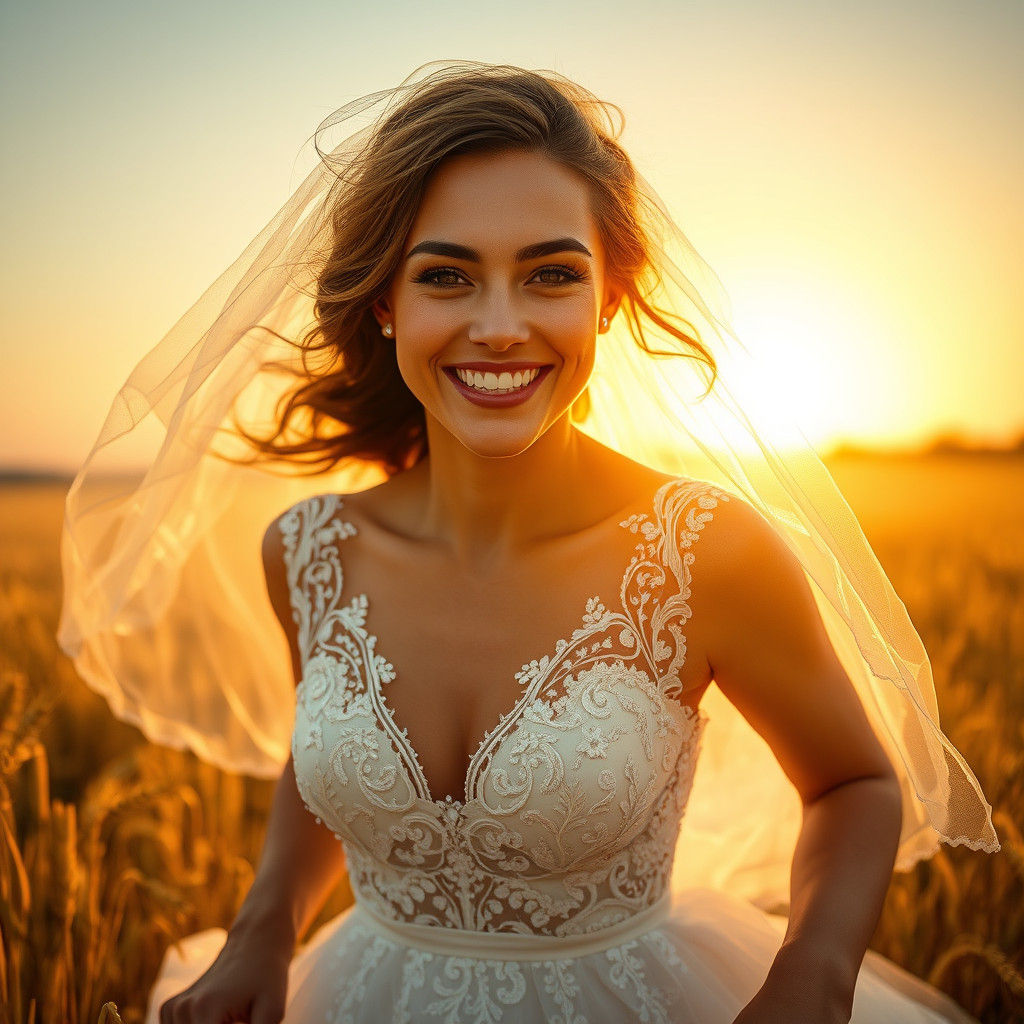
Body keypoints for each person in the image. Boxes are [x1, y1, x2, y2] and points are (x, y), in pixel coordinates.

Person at [57, 61, 999, 1023]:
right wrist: (262, 932)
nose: (500, 328)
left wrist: (814, 976)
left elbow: (852, 781)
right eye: (446, 276)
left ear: (610, 297)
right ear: (385, 302)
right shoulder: (309, 553)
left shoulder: (703, 552)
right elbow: (326, 773)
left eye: (551, 274)